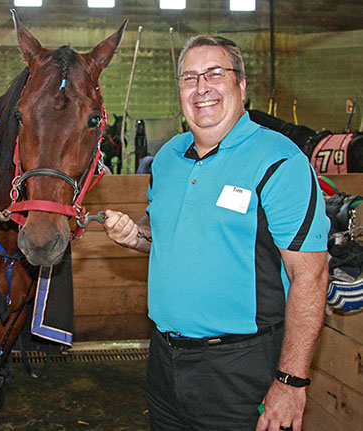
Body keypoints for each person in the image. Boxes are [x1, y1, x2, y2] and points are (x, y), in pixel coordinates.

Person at [103, 35, 329, 431]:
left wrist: (291, 381)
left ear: (240, 84)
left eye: (214, 74)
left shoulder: (280, 160)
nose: (201, 87)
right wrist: (134, 236)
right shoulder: (167, 159)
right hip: (164, 360)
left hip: (241, 367)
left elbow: (311, 275)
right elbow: (167, 237)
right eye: (189, 78)